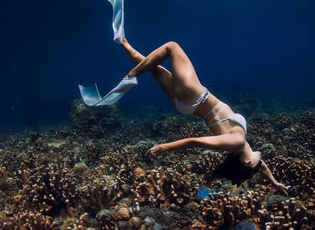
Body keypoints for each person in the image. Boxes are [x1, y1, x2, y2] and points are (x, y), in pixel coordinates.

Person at [120, 38, 290, 195]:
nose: (260, 164)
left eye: (254, 167)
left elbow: (194, 141)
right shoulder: (242, 148)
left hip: (194, 96)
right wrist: (275, 183)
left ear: (246, 162)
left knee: (172, 47)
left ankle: (130, 75)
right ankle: (124, 43)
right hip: (186, 105)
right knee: (154, 69)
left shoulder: (237, 143)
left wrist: (164, 147)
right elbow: (261, 167)